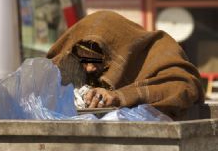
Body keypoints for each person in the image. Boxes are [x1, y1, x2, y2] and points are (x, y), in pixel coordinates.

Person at [47, 10, 204, 120]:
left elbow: (184, 86)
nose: (89, 68)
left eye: (96, 60)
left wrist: (120, 96)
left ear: (117, 50)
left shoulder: (153, 50)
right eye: (83, 60)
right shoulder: (72, 65)